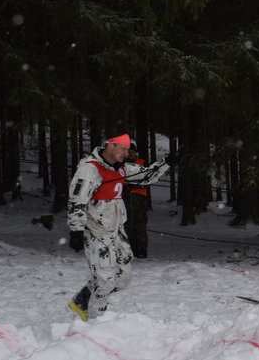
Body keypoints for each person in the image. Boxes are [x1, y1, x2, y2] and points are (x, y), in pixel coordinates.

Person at [66, 133, 178, 321]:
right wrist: (76, 230)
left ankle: (82, 300)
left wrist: (168, 162)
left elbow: (146, 176)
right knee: (105, 280)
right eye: (124, 149)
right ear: (110, 146)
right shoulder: (90, 169)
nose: (127, 153)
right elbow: (77, 201)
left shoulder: (121, 169)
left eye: (128, 149)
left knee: (122, 277)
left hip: (116, 231)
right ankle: (95, 323)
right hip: (96, 232)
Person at [123, 143, 150, 258]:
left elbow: (148, 180)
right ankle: (132, 249)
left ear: (135, 152)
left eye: (131, 151)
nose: (130, 153)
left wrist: (134, 186)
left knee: (141, 225)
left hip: (139, 199)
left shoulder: (142, 163)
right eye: (127, 151)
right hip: (126, 199)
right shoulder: (122, 165)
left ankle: (143, 249)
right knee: (128, 225)